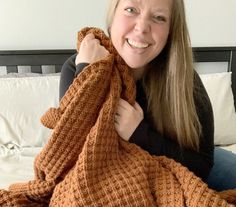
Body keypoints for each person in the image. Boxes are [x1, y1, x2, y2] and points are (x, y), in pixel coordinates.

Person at [59, 0, 236, 191]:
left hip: (178, 168)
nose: (142, 27)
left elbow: (201, 165)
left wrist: (139, 134)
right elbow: (68, 155)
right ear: (112, 18)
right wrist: (85, 71)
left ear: (171, 31)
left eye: (159, 17)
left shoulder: (183, 80)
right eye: (131, 10)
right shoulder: (79, 65)